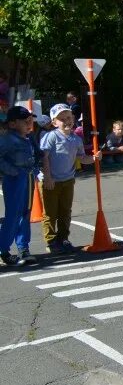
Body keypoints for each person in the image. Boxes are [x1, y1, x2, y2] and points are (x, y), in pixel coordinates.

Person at [39, 104, 97, 253]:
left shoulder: (76, 139)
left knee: (65, 211)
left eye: (69, 117)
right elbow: (44, 158)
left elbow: (82, 158)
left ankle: (63, 238)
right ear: (54, 122)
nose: (66, 121)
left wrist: (94, 158)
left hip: (68, 180)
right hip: (51, 181)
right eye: (62, 119)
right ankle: (51, 242)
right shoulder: (50, 136)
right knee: (50, 213)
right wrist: (48, 178)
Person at [0, 107, 37, 266]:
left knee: (25, 212)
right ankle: (3, 250)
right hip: (15, 180)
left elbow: (37, 155)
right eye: (25, 121)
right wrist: (13, 172)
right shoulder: (7, 139)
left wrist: (37, 169)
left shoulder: (28, 138)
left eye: (30, 120)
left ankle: (23, 248)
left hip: (28, 177)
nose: (29, 123)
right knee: (13, 215)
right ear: (13, 124)